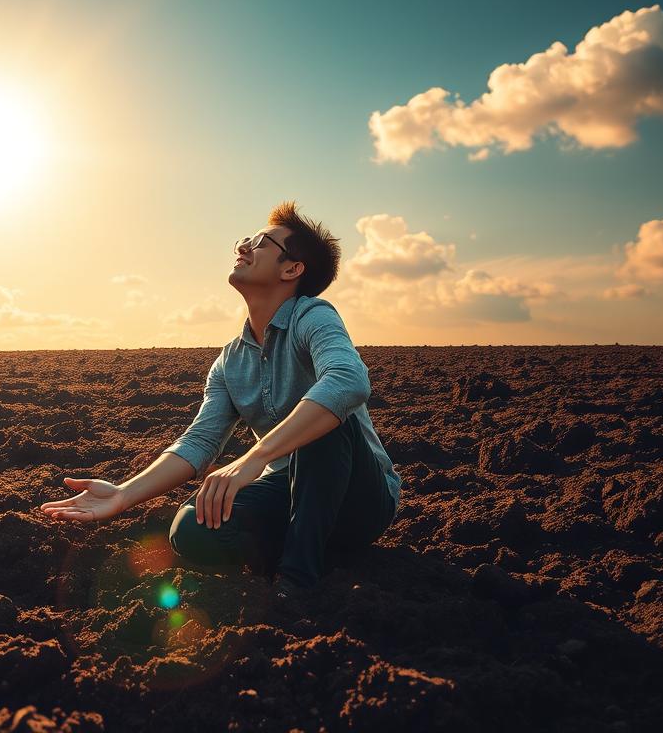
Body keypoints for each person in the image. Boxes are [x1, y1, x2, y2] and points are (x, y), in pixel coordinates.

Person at [39, 201, 401, 616]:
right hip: (288, 494)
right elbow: (201, 441)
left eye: (260, 242)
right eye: (245, 240)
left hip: (360, 501)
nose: (244, 246)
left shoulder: (312, 317)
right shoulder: (231, 360)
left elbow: (348, 380)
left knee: (325, 420)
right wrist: (123, 495)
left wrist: (256, 458)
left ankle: (297, 580)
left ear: (291, 269)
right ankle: (308, 543)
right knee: (192, 527)